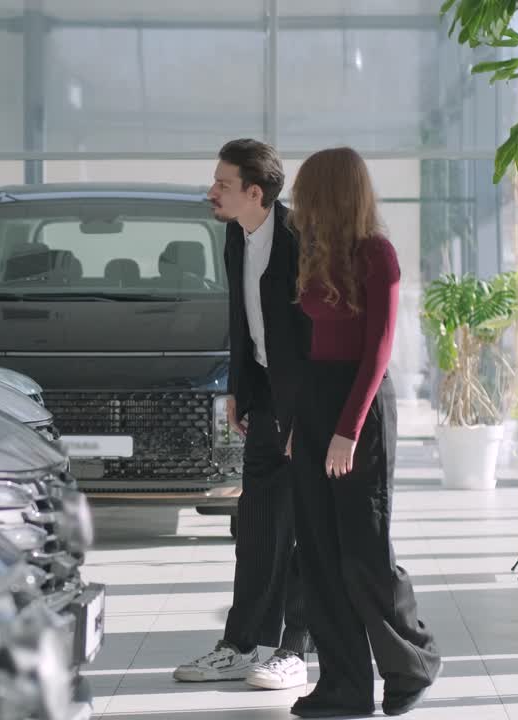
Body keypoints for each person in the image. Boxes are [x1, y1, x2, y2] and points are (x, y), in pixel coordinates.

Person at [285, 146, 442, 718]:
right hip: (318, 401)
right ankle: (344, 685)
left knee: (364, 551)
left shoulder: (378, 255)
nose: (297, 202)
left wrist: (346, 431)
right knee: (319, 552)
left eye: (306, 190)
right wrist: (301, 426)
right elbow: (310, 349)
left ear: (331, 191)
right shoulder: (314, 252)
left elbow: (377, 352)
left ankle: (413, 661)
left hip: (363, 405)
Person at [173, 139, 311, 691]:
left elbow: (313, 333)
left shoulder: (301, 238)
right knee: (256, 524)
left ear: (255, 193)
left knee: (303, 525)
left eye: (223, 184)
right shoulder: (235, 234)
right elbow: (242, 315)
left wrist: (309, 414)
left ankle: (294, 648)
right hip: (264, 396)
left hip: (307, 401)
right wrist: (238, 389)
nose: (212, 192)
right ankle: (242, 642)